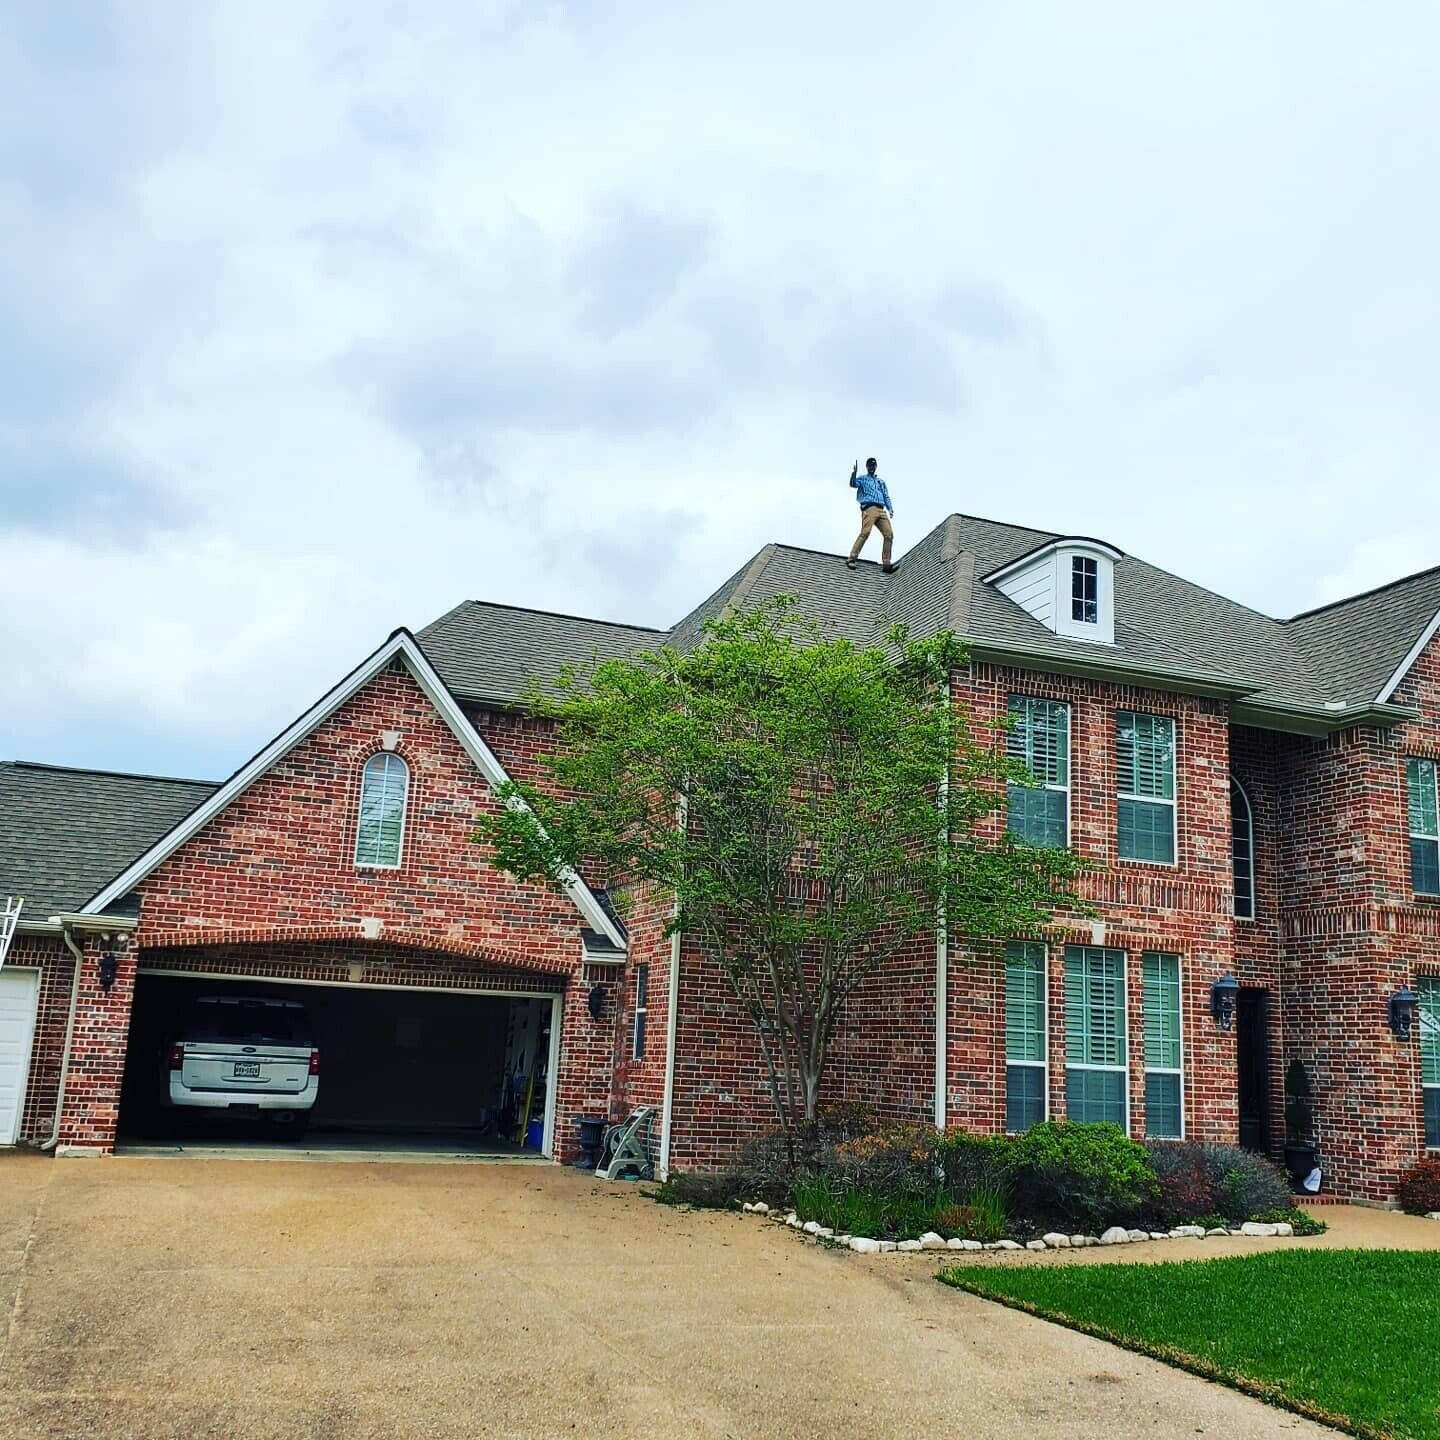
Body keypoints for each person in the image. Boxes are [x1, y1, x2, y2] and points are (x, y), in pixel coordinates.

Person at [847, 457, 895, 571]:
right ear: (867, 467)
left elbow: (885, 495)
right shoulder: (863, 479)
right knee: (866, 532)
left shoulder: (880, 482)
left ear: (876, 466)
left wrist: (890, 508)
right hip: (869, 508)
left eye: (873, 465)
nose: (872, 467)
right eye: (870, 466)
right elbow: (853, 484)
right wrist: (854, 473)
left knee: (889, 534)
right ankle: (852, 558)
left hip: (881, 509)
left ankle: (886, 563)